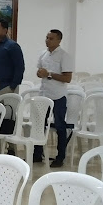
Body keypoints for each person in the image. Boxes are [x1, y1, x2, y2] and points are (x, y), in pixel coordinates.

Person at [34, 29, 74, 168]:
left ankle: (60, 156)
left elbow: (67, 78)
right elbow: (40, 72)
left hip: (58, 95)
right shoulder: (43, 54)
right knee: (40, 125)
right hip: (44, 94)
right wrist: (41, 73)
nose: (47, 40)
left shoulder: (64, 56)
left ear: (59, 40)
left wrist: (49, 74)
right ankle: (37, 153)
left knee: (60, 126)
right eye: (47, 37)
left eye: (51, 38)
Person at [0, 19, 25, 98]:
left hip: (7, 87)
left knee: (8, 110)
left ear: (5, 30)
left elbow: (19, 67)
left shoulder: (12, 46)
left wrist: (13, 86)